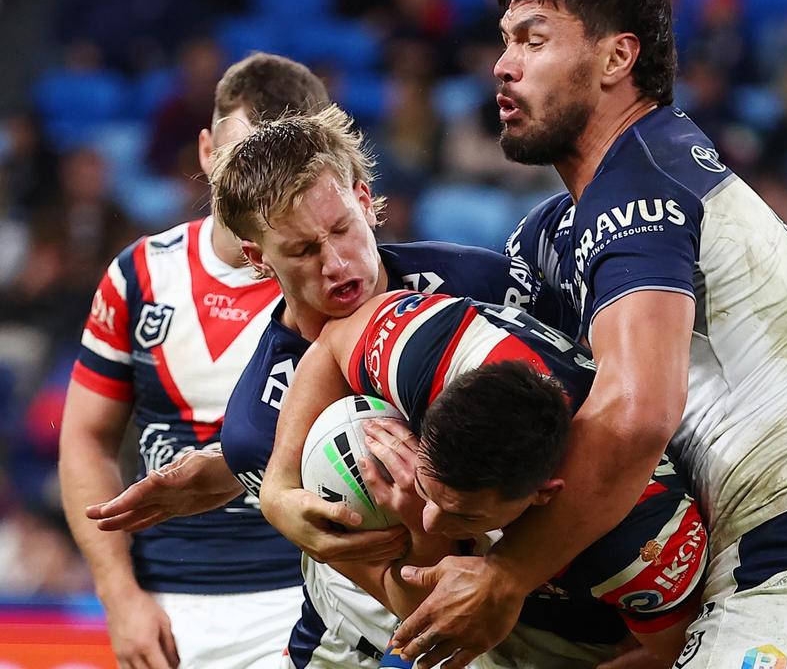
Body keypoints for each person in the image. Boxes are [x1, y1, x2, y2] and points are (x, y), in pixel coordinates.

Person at [269, 0, 787, 667]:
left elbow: (636, 414)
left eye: (533, 41)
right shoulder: (565, 228)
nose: (504, 65)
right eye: (504, 41)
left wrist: (508, 576)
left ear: (617, 58)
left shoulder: (641, 182)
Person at [89, 104, 544, 669]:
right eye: (303, 250)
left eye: (341, 229)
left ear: (363, 198)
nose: (335, 264)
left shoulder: (487, 285)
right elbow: (412, 604)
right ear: (258, 259)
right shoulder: (262, 428)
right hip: (367, 639)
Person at [59, 52, 330, 669]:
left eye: (280, 166)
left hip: (308, 599)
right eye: (240, 160)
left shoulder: (334, 279)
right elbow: (84, 438)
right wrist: (117, 593)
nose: (257, 186)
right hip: (164, 613)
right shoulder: (137, 276)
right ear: (207, 151)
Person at [277, 288, 709, 668]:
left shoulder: (645, 543)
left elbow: (668, 651)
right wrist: (278, 488)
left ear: (544, 495)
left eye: (463, 515)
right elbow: (333, 339)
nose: (432, 518)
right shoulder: (423, 348)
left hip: (576, 638)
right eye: (429, 489)